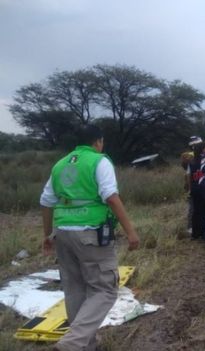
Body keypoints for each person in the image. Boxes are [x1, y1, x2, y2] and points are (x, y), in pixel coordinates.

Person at [40, 125, 140, 351]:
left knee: (75, 289)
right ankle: (71, 344)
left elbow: (46, 201)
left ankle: (86, 345)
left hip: (63, 233)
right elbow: (111, 197)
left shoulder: (60, 164)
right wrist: (131, 232)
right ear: (98, 142)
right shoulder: (99, 161)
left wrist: (47, 235)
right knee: (104, 290)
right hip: (90, 234)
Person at [186, 140, 205, 239]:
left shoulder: (191, 161)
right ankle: (203, 232)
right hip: (203, 188)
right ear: (204, 149)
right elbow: (202, 174)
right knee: (204, 211)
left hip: (194, 189)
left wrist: (190, 188)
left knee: (196, 211)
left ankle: (195, 234)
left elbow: (189, 176)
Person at [183, 136, 203, 233]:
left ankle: (197, 226)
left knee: (199, 207)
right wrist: (189, 187)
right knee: (193, 207)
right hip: (195, 185)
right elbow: (187, 174)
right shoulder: (190, 158)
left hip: (202, 185)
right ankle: (191, 227)